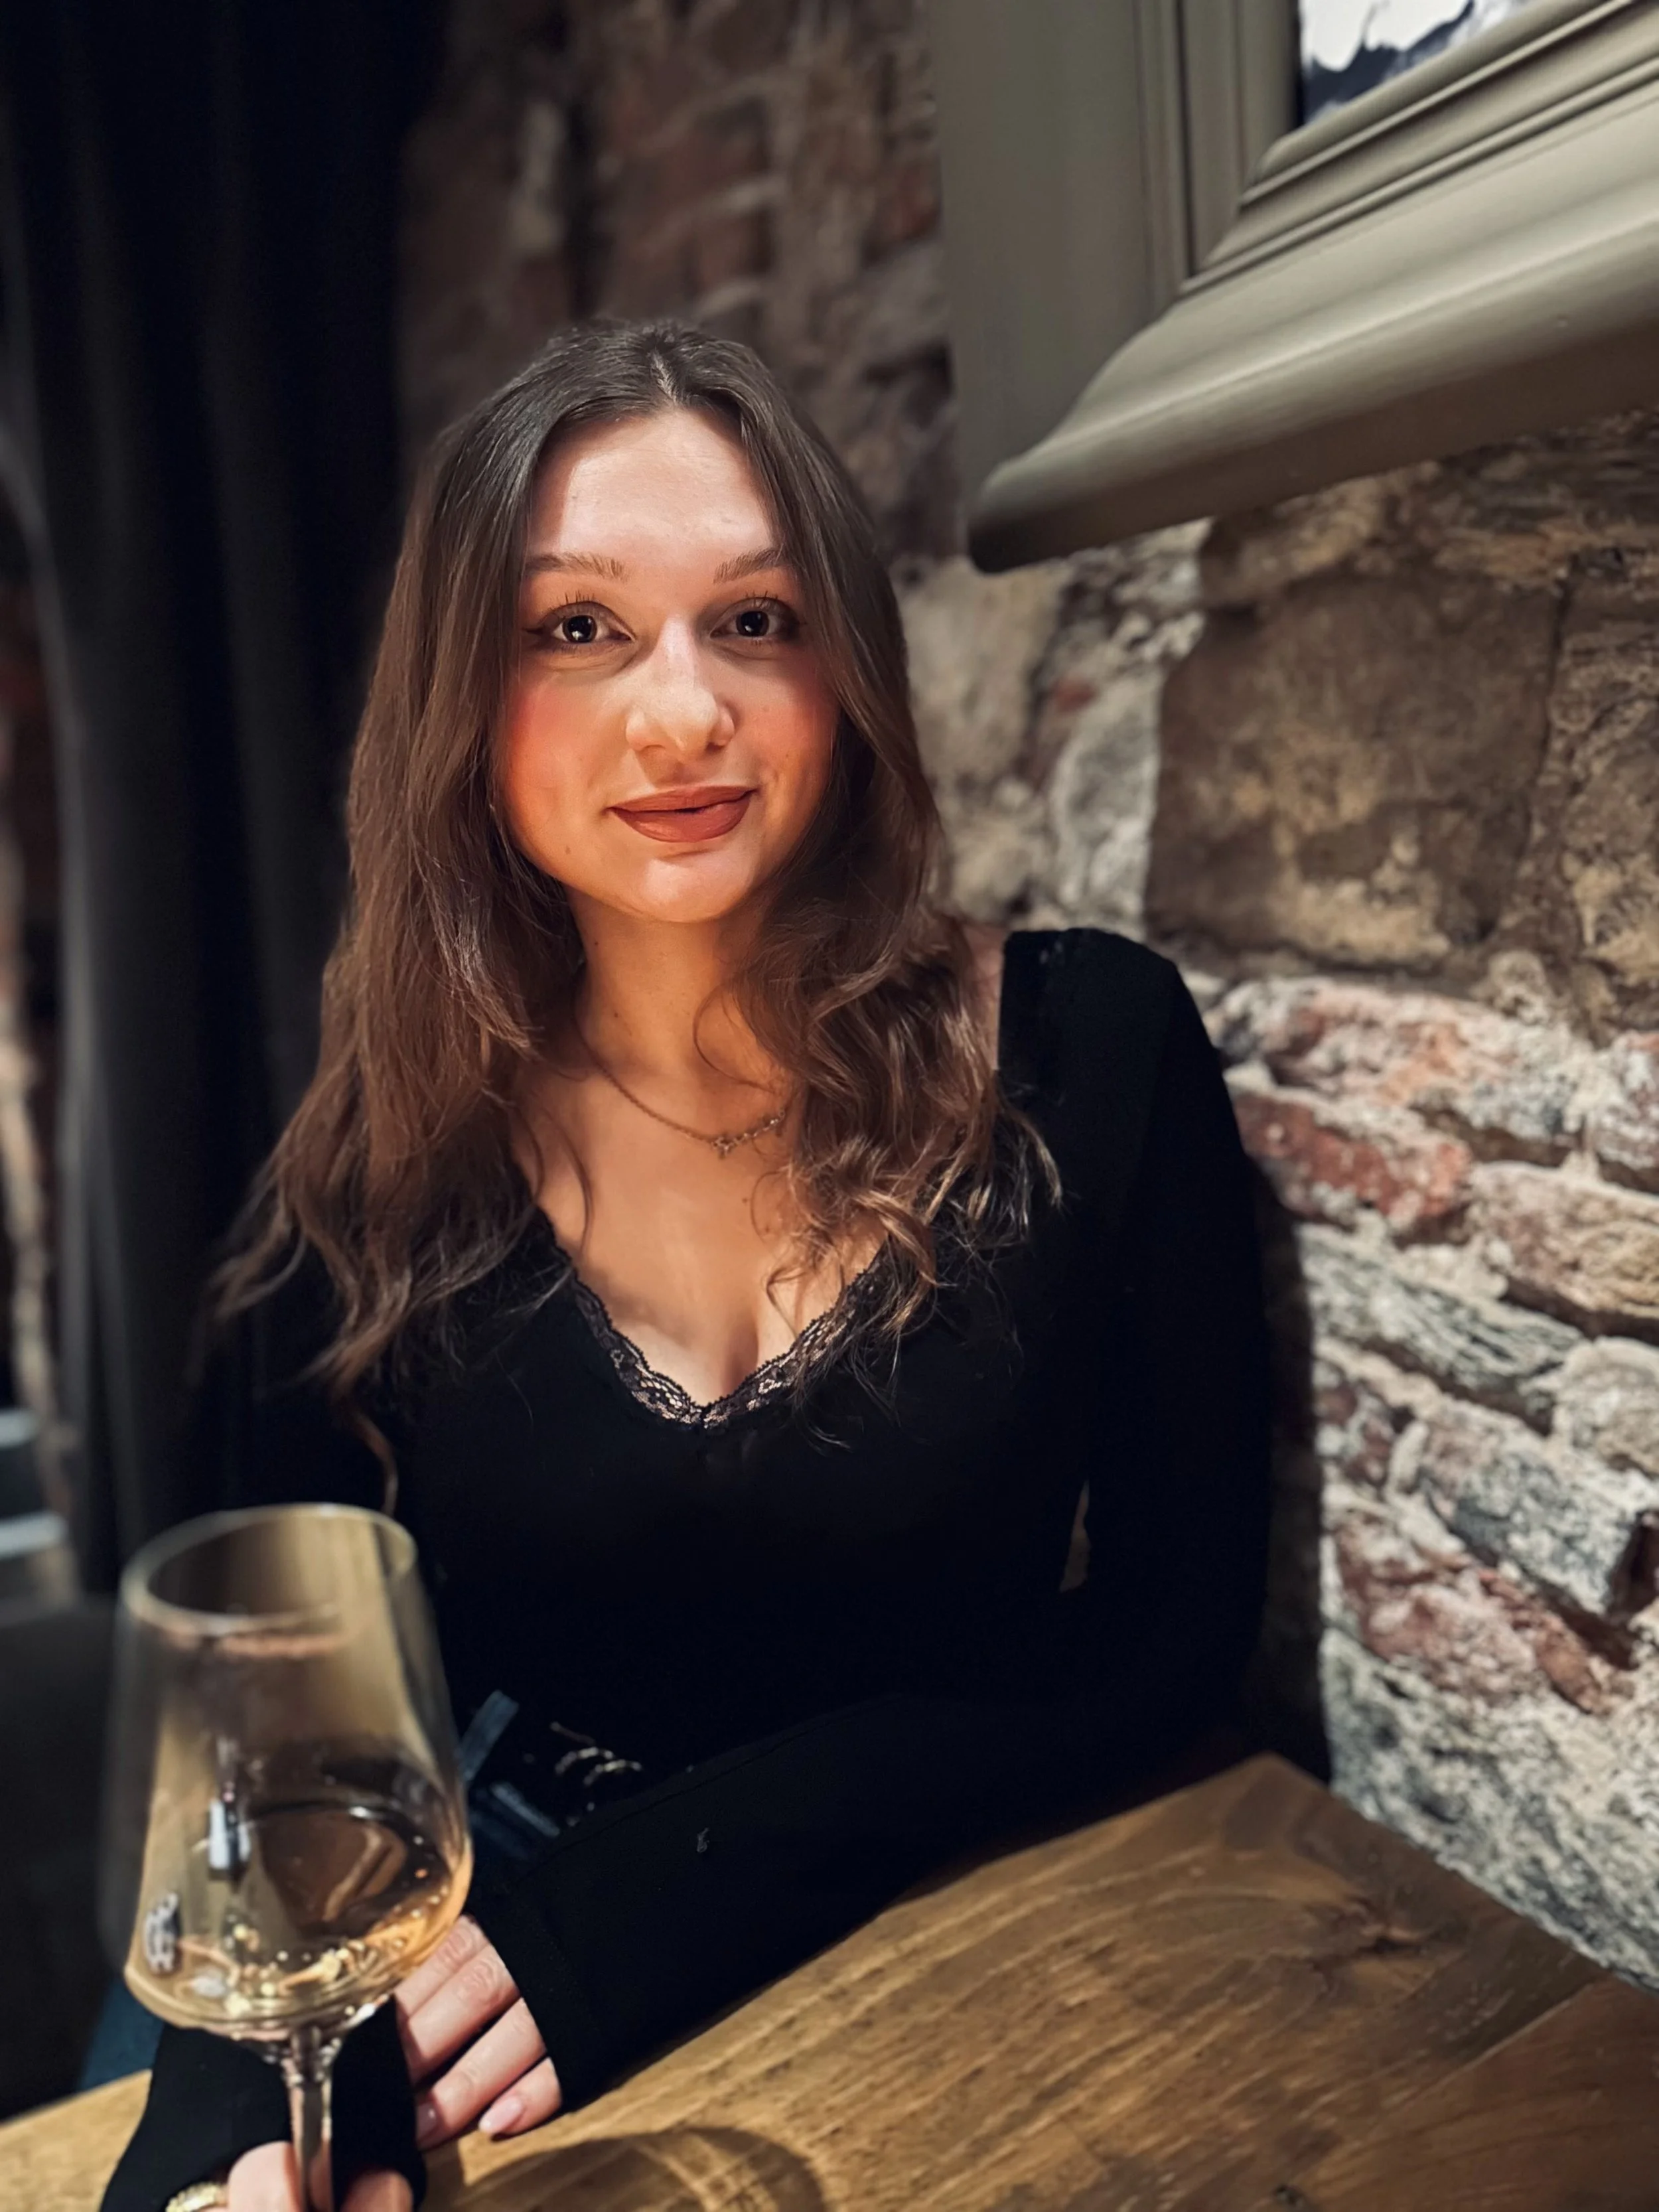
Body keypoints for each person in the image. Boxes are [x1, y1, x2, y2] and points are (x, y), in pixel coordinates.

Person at [102, 321, 1272, 2212]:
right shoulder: (382, 1152)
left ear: (844, 671)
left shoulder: (1096, 1055)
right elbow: (274, 1745)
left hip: (948, 1872)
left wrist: (689, 1878)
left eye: (753, 618)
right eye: (575, 628)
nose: (680, 712)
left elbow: (1160, 1635)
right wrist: (244, 2109)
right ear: (461, 710)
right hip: (455, 1905)